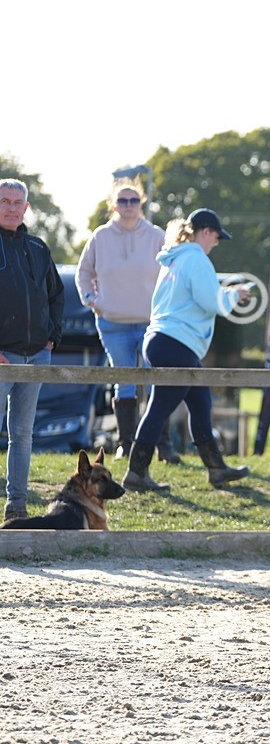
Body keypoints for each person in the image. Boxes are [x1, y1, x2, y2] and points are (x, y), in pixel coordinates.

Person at [122, 208, 250, 491]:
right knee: (160, 407)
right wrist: (235, 294)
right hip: (176, 343)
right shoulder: (196, 258)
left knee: (200, 402)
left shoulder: (175, 258)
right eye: (216, 236)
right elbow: (211, 301)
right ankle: (136, 472)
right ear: (205, 232)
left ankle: (216, 469)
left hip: (162, 340)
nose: (216, 242)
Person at [76, 179, 182, 464]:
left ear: (141, 203)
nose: (128, 205)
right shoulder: (100, 237)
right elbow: (83, 273)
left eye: (133, 200)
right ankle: (126, 445)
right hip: (113, 324)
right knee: (124, 382)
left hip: (151, 324)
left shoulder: (157, 235)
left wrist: (168, 306)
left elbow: (173, 273)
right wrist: (92, 299)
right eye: (122, 201)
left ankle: (163, 445)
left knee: (156, 382)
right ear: (113, 205)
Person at [0, 178, 64, 520]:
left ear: (26, 207)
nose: (11, 208)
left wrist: (52, 335)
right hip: (2, 358)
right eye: (4, 201)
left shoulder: (38, 247)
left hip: (37, 355)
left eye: (17, 202)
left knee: (23, 435)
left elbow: (56, 295)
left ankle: (17, 507)